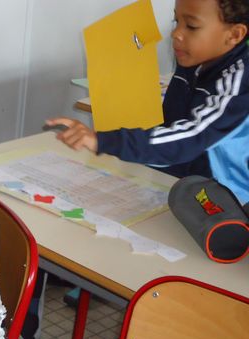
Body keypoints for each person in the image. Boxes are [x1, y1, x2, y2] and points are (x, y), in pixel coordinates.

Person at [47, 0, 249, 206]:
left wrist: (103, 141)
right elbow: (170, 127)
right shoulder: (193, 61)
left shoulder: (237, 85)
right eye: (176, 21)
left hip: (230, 203)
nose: (176, 33)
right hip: (176, 185)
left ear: (234, 34)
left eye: (191, 26)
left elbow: (190, 137)